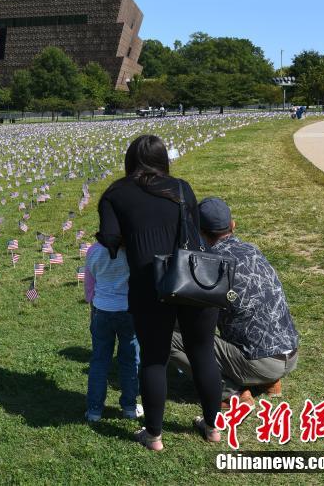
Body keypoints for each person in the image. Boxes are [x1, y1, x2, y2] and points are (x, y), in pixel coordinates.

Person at [97, 135, 220, 451]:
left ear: (130, 161)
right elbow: (191, 231)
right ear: (163, 159)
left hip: (149, 283)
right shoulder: (181, 188)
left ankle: (153, 435)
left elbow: (109, 241)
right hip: (193, 278)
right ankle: (212, 427)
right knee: (203, 351)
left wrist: (131, 238)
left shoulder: (115, 194)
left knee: (154, 357)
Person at [170, 198, 298, 406]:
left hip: (260, 362)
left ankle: (228, 391)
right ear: (233, 225)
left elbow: (194, 319)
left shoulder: (209, 264)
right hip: (290, 354)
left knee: (166, 335)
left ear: (198, 231)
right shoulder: (252, 249)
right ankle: (270, 382)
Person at [84, 238, 142, 422]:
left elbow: (89, 282)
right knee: (130, 360)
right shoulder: (134, 250)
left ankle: (94, 410)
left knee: (99, 361)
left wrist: (91, 302)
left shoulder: (93, 250)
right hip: (128, 310)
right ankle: (129, 407)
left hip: (102, 309)